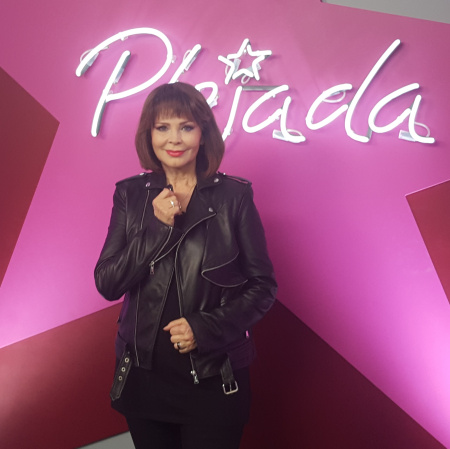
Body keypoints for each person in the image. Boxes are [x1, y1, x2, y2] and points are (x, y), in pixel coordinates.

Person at [94, 82, 277, 449]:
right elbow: (108, 283)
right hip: (144, 379)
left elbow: (263, 287)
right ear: (149, 135)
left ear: (203, 134)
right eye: (162, 127)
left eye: (186, 127)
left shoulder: (234, 197)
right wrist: (156, 228)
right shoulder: (130, 195)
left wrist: (205, 327)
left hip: (214, 377)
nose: (174, 139)